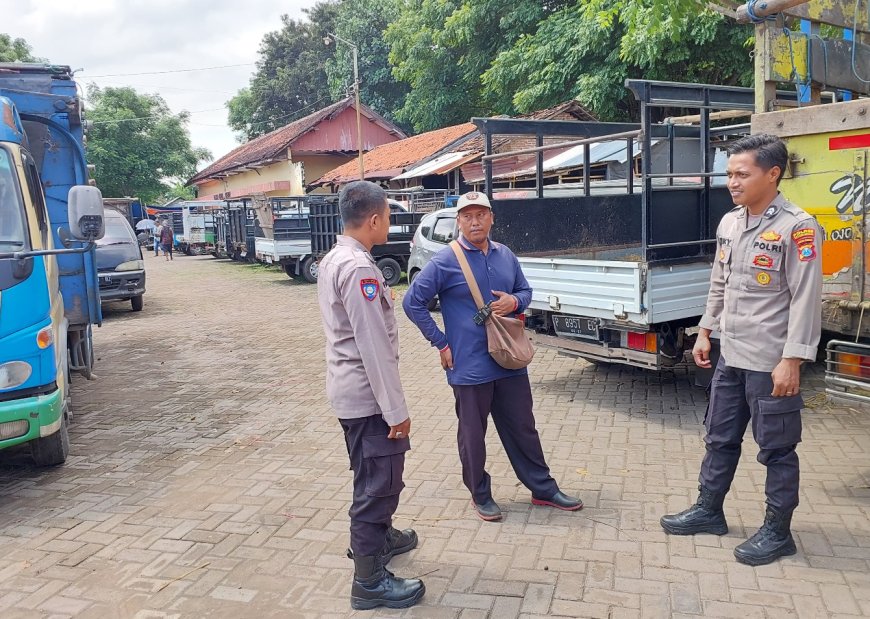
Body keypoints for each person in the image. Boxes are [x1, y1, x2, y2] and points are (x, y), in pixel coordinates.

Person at [660, 134, 823, 566]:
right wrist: (704, 330)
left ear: (773, 174)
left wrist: (793, 359)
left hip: (771, 361)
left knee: (776, 449)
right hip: (730, 354)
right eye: (729, 174)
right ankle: (709, 510)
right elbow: (720, 282)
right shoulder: (730, 222)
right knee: (719, 437)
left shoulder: (798, 227)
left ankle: (777, 531)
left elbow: (807, 298)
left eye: (741, 174)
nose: (732, 181)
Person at [403, 191, 582, 522]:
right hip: (469, 365)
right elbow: (412, 303)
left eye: (481, 215)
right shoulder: (445, 260)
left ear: (492, 218)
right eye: (468, 216)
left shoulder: (505, 255)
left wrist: (513, 303)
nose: (475, 221)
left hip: (510, 359)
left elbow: (525, 291)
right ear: (458, 221)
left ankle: (543, 489)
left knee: (523, 427)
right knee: (473, 434)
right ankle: (479, 493)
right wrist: (441, 343)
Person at [317, 181, 425, 610]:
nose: (390, 223)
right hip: (367, 396)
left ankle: (379, 538)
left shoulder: (335, 257)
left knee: (369, 473)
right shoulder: (360, 268)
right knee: (379, 484)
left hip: (349, 391)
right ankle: (369, 580)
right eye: (389, 216)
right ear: (376, 218)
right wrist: (396, 410)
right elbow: (373, 346)